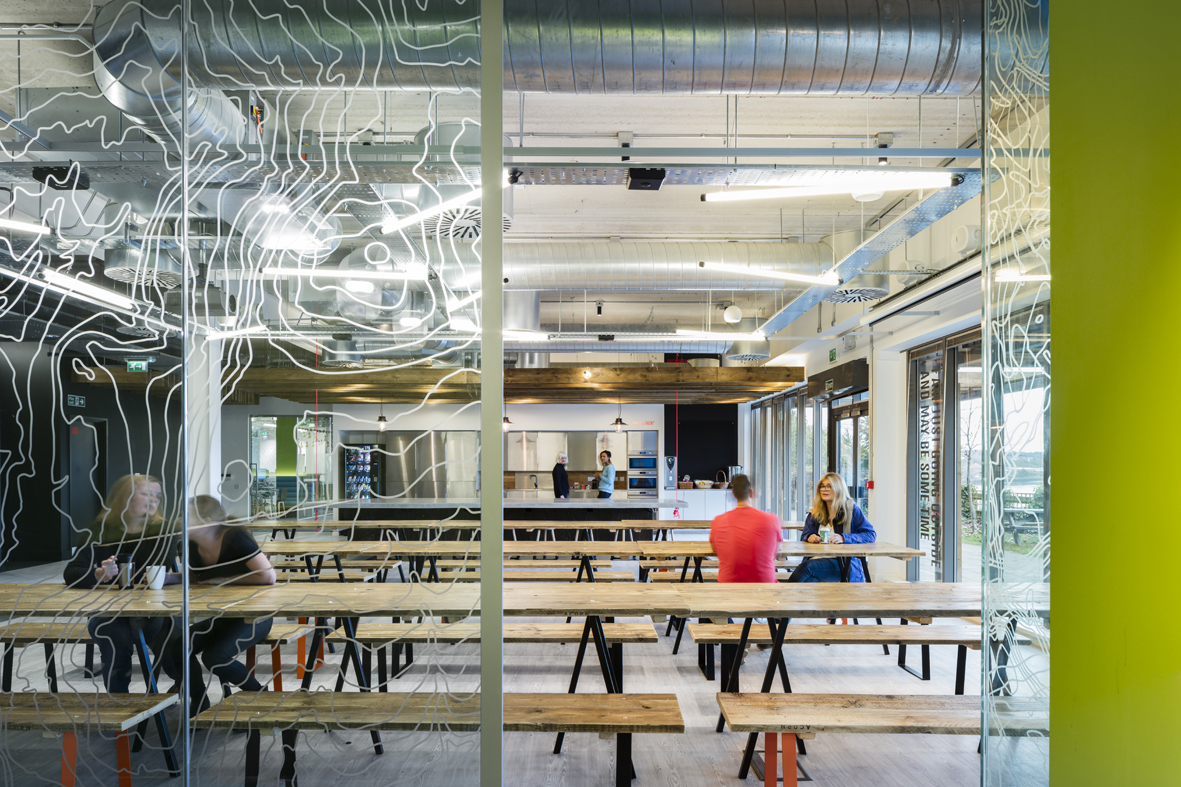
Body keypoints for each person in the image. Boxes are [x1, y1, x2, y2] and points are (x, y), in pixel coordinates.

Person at [63, 474, 181, 695]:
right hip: (112, 611)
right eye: (146, 493)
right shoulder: (99, 529)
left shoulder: (164, 530)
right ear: (124, 498)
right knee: (113, 635)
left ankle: (190, 690)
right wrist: (98, 573)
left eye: (158, 495)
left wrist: (115, 576)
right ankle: (119, 707)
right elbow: (72, 572)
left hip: (153, 610)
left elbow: (154, 572)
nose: (154, 500)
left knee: (170, 639)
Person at [184, 495, 276, 714]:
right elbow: (196, 578)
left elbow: (268, 576)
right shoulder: (190, 545)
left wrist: (223, 580)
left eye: (186, 516)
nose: (180, 521)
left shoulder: (234, 538)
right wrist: (170, 578)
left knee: (214, 657)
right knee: (177, 648)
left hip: (255, 616)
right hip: (221, 617)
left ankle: (259, 697)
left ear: (205, 522)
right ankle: (198, 701)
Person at [791, 472, 877, 583]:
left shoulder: (851, 510)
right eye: (822, 486)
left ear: (839, 489)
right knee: (806, 581)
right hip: (817, 559)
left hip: (843, 563)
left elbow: (870, 534)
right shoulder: (815, 513)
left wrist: (844, 538)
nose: (824, 489)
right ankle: (786, 598)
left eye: (829, 486)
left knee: (807, 567)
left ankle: (782, 597)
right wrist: (809, 536)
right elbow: (804, 536)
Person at [708, 475, 783, 583]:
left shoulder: (718, 521)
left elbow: (716, 550)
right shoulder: (772, 519)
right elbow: (776, 554)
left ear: (733, 493)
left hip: (728, 587)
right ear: (751, 493)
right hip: (765, 588)